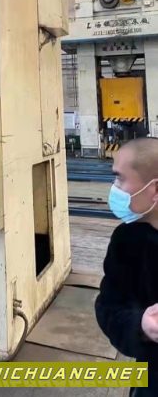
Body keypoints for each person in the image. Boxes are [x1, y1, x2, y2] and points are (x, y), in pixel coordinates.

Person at [95, 138, 158, 396]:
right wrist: (141, 325)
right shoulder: (127, 242)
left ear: (155, 190)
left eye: (120, 179)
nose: (114, 189)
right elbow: (110, 307)